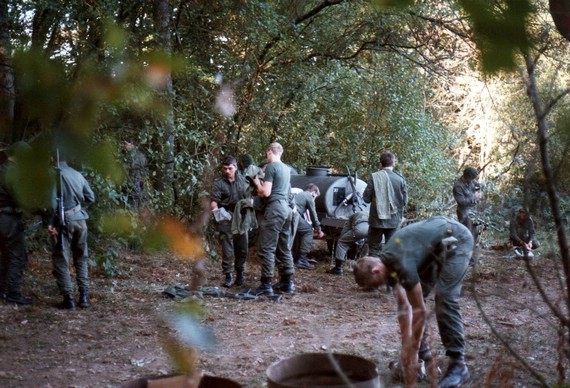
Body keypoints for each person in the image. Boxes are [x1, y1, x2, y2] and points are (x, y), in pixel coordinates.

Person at [353, 216, 473, 388]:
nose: (380, 287)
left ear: (376, 270)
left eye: (376, 284)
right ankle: (423, 357)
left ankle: (458, 365)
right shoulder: (388, 264)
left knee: (445, 297)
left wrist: (412, 351)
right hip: (434, 250)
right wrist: (405, 349)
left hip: (456, 239)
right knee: (419, 295)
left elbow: (419, 311)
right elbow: (404, 308)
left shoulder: (401, 263)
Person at [48, 156, 95, 310]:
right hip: (80, 220)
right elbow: (90, 197)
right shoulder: (77, 174)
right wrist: (76, 208)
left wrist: (49, 222)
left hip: (63, 223)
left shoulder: (53, 174)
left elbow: (51, 203)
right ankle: (84, 296)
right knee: (81, 257)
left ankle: (69, 299)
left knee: (61, 259)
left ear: (51, 158)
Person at [250, 142, 295, 295]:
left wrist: (256, 181)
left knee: (267, 247)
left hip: (275, 209)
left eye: (267, 153)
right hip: (286, 210)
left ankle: (266, 284)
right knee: (284, 246)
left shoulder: (271, 167)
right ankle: (287, 282)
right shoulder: (287, 169)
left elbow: (265, 192)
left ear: (270, 152)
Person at [0, 142, 34, 305]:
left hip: (3, 217)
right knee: (16, 255)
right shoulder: (12, 172)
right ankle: (13, 293)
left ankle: (2, 290)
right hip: (8, 218)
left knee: (5, 255)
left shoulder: (2, 169)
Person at [210, 156, 249, 288]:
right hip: (225, 216)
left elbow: (249, 199)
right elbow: (214, 200)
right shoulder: (219, 182)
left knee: (242, 247)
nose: (227, 171)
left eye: (230, 168)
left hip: (241, 217)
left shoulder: (243, 181)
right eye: (225, 168)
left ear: (236, 167)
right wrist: (217, 213)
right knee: (227, 249)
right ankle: (228, 275)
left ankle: (240, 274)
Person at [362, 151, 407, 257]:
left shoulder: (374, 177)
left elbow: (366, 199)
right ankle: (389, 272)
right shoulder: (400, 179)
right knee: (391, 250)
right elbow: (405, 202)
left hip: (376, 221)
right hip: (394, 221)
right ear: (393, 163)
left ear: (380, 163)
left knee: (373, 249)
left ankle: (371, 272)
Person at [292, 183, 325, 270]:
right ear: (313, 192)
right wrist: (318, 228)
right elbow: (313, 214)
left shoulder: (300, 195)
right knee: (308, 231)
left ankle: (292, 257)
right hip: (293, 214)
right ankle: (302, 259)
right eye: (315, 197)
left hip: (287, 212)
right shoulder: (308, 196)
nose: (314, 199)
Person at [452, 166, 482, 240]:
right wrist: (474, 197)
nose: (473, 180)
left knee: (475, 231)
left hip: (473, 210)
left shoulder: (471, 181)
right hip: (463, 212)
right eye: (472, 178)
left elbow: (478, 186)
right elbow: (461, 202)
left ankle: (473, 247)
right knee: (466, 232)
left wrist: (479, 191)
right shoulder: (458, 186)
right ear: (467, 176)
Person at [123, 140, 148, 209]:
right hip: (138, 190)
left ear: (132, 144)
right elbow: (145, 174)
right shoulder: (141, 155)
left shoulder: (129, 157)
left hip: (131, 189)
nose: (124, 146)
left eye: (125, 143)